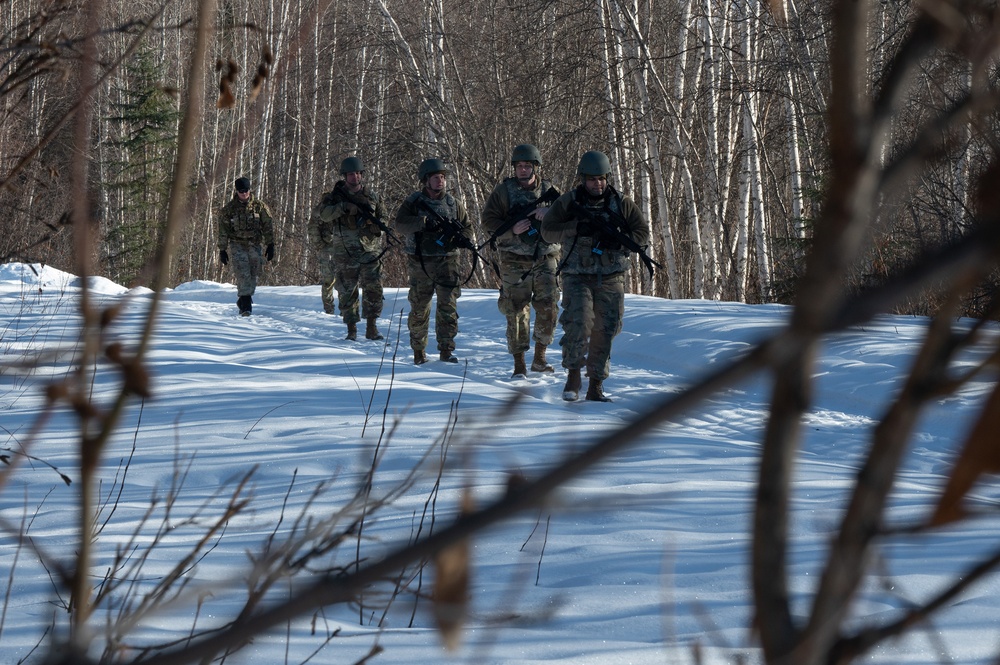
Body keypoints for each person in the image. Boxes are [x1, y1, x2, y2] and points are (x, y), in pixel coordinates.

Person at [540, 150, 651, 402]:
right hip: (577, 276)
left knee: (606, 330)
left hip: (611, 277)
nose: (597, 184)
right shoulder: (569, 202)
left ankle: (596, 385)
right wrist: (575, 228)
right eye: (592, 179)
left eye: (601, 179)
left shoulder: (621, 203)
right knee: (577, 323)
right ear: (583, 179)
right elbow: (547, 231)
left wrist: (618, 241)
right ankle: (573, 375)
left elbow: (642, 233)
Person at [481, 144, 561, 378]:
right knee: (516, 311)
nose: (523, 170)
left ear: (536, 167)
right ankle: (519, 363)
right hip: (514, 260)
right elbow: (488, 221)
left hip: (545, 258)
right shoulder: (504, 192)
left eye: (527, 165)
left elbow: (568, 217)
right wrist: (512, 230)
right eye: (519, 166)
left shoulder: (549, 190)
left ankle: (540, 357)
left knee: (548, 307)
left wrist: (550, 213)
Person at [393, 158, 474, 365]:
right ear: (425, 180)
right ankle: (418, 351)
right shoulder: (414, 202)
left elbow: (467, 227)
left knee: (448, 307)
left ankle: (446, 349)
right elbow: (400, 224)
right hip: (421, 262)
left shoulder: (453, 203)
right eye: (436, 177)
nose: (441, 181)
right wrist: (423, 223)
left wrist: (459, 238)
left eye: (443, 177)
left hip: (448, 262)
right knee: (420, 307)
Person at [309, 156, 388, 340]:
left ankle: (372, 327)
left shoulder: (373, 196)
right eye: (351, 174)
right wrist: (343, 207)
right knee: (346, 291)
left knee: (374, 289)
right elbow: (322, 215)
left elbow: (384, 218)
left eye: (358, 173)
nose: (355, 177)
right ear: (345, 176)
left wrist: (379, 226)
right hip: (344, 252)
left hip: (370, 251)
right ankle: (351, 330)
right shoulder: (333, 197)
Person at [217, 176, 275, 316]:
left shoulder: (259, 207)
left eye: (246, 190)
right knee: (242, 274)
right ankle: (245, 304)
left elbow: (268, 226)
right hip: (237, 245)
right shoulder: (229, 209)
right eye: (241, 191)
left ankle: (244, 298)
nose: (244, 193)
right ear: (237, 191)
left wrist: (270, 244)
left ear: (250, 190)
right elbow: (223, 230)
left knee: (254, 274)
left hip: (254, 244)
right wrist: (222, 249)